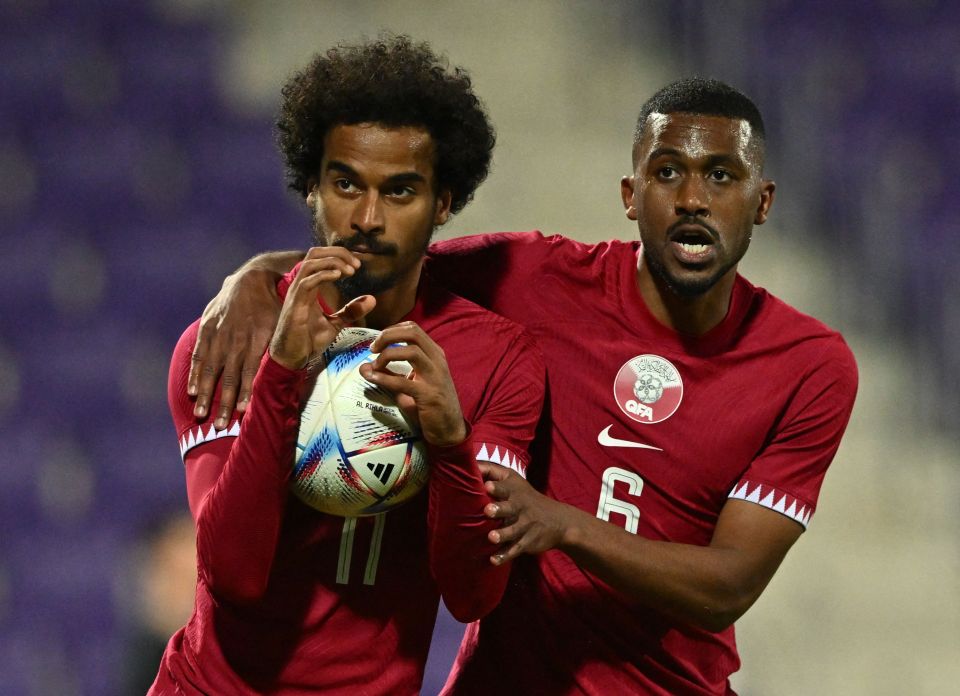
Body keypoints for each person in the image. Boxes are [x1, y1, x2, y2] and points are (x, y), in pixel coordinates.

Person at [189, 78, 858, 695]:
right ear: (631, 195)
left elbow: (729, 583)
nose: (692, 199)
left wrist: (566, 527)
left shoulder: (809, 366)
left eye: (721, 175)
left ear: (762, 200)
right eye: (667, 173)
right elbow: (384, 253)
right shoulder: (537, 280)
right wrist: (253, 279)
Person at [151, 36, 545, 695]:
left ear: (443, 202)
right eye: (345, 184)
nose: (366, 217)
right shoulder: (229, 341)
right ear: (312, 186)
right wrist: (282, 376)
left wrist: (450, 443)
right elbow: (233, 575)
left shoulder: (496, 358)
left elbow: (473, 594)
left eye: (400, 191)